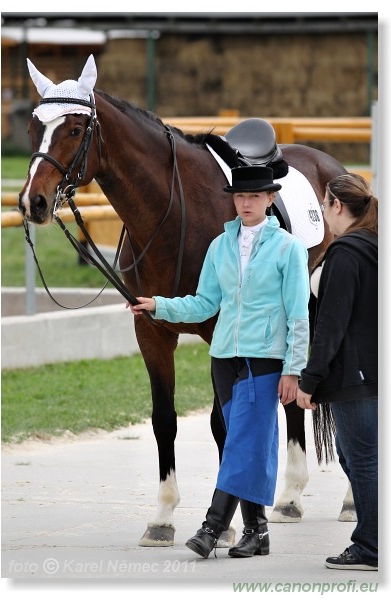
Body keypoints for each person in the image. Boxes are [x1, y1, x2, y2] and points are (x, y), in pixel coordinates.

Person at [128, 166, 310, 559]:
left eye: (255, 196)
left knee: (243, 445)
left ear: (270, 199)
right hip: (224, 358)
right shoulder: (220, 247)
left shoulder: (288, 249)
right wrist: (158, 305)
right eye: (241, 196)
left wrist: (294, 369)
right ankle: (257, 532)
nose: (246, 203)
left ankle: (212, 527)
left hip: (264, 359)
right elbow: (205, 303)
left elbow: (298, 314)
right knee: (247, 446)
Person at [296, 173, 378, 571]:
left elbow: (332, 322)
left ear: (337, 206)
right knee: (363, 459)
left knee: (361, 461)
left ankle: (371, 547)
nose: (323, 212)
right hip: (371, 371)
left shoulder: (347, 251)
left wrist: (310, 380)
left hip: (354, 375)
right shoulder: (374, 244)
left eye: (324, 204)